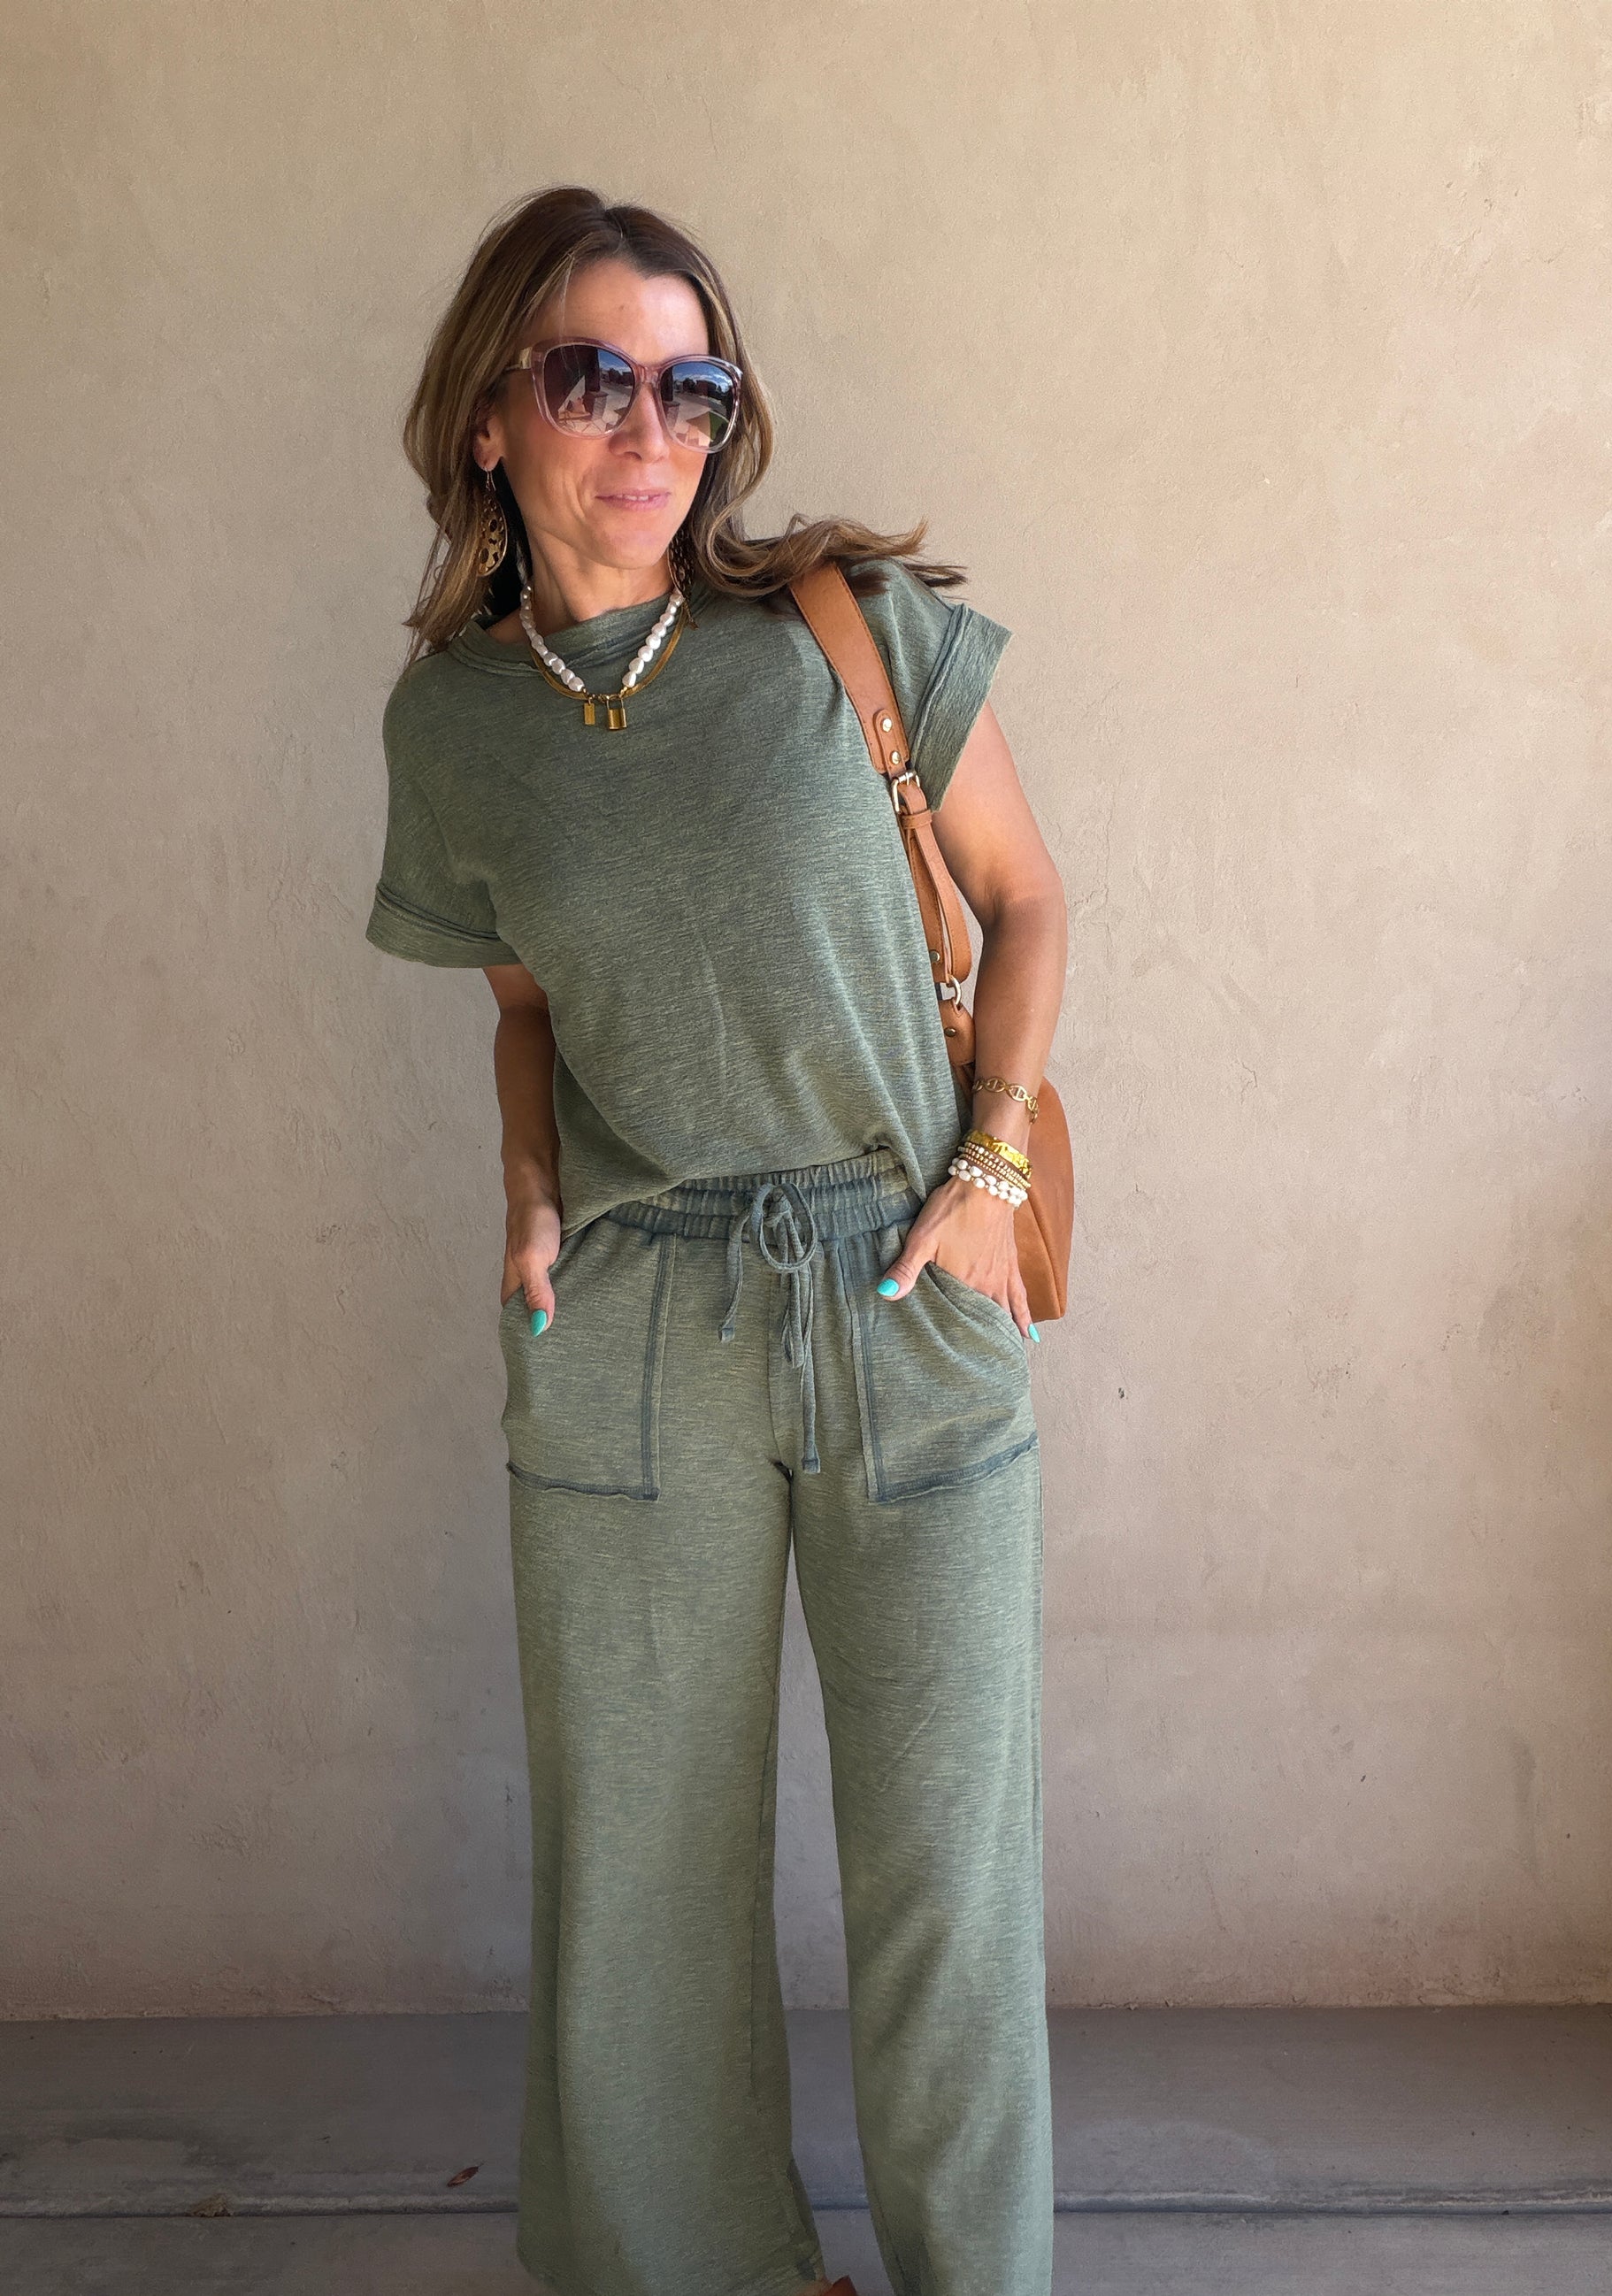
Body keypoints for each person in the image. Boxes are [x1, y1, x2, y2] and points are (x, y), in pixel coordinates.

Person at [363, 183, 1069, 2296]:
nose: (648, 425)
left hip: (897, 1283)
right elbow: (525, 1005)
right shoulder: (453, 725)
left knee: (944, 1867)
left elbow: (1028, 899)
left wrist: (991, 1171)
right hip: (636, 1315)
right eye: (594, 376)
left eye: (691, 384)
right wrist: (526, 1193)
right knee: (641, 1868)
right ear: (492, 413)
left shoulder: (844, 628)